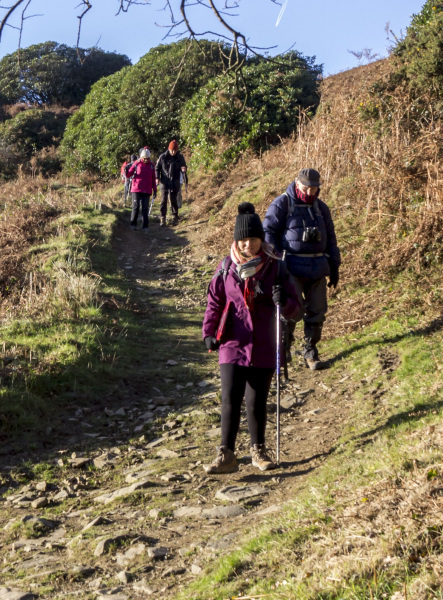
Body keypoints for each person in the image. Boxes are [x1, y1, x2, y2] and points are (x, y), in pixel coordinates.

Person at [202, 202, 300, 474]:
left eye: (253, 239)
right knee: (230, 398)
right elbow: (215, 303)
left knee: (256, 401)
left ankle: (258, 451)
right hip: (232, 342)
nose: (248, 245)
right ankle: (227, 455)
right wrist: (209, 333)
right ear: (236, 240)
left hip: (265, 343)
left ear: (261, 239)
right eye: (243, 240)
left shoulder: (277, 267)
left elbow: (296, 306)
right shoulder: (226, 269)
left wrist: (285, 301)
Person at [263, 168, 341, 370]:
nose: (309, 193)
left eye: (314, 189)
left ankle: (310, 351)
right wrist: (275, 263)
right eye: (306, 188)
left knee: (317, 311)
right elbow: (268, 233)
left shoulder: (321, 209)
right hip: (291, 269)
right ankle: (285, 348)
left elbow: (331, 239)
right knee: (292, 311)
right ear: (297, 184)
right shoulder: (282, 204)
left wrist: (334, 267)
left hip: (318, 269)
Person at [155, 140, 187, 227]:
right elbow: (157, 168)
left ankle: (175, 217)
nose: (173, 152)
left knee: (173, 200)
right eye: (172, 150)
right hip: (164, 182)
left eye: (175, 150)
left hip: (175, 181)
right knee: (163, 200)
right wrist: (157, 177)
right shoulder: (162, 157)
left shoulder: (180, 157)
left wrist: (184, 169)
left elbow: (184, 166)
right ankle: (163, 218)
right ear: (169, 149)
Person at [126, 148, 157, 232]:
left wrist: (155, 189)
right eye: (144, 158)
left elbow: (153, 178)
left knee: (145, 208)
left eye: (147, 158)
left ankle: (145, 226)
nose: (145, 160)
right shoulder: (136, 164)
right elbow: (129, 174)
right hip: (136, 188)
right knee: (136, 207)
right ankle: (133, 224)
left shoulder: (151, 165)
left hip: (147, 189)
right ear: (141, 157)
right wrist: (126, 171)